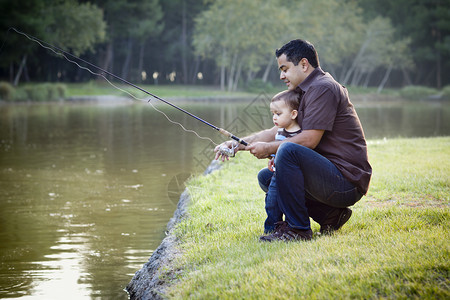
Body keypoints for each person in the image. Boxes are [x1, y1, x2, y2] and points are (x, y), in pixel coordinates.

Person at [215, 39, 372, 242]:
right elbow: (276, 130)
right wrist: (237, 145)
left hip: (346, 182)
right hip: (330, 176)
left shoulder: (323, 88)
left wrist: (270, 149)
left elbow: (309, 140)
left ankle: (298, 230)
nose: (281, 75)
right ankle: (330, 215)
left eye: (285, 69)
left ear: (304, 64)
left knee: (287, 151)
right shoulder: (303, 90)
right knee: (268, 178)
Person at [260, 90, 302, 233]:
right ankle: (272, 228)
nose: (274, 118)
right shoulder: (281, 131)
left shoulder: (300, 134)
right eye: (273, 114)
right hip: (278, 173)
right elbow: (279, 150)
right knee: (271, 202)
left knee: (276, 200)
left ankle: (276, 228)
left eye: (278, 114)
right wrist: (273, 157)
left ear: (293, 114)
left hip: (292, 176)